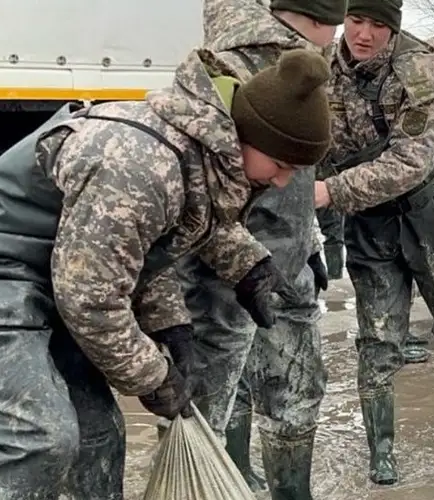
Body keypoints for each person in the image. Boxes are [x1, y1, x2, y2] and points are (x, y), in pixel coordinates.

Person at [0, 48, 332, 499]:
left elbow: (149, 245)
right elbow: (91, 300)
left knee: (99, 436)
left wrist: (232, 276)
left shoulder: (200, 150)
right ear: (248, 135)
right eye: (282, 165)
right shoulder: (140, 165)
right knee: (40, 441)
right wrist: (153, 376)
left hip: (51, 274)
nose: (283, 181)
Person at [162, 1, 345, 498]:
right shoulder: (273, 65)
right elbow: (228, 193)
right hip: (234, 274)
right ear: (326, 21)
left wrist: (308, 238)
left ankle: (235, 484)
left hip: (260, 265)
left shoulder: (243, 59)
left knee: (220, 402)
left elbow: (289, 181)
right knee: (270, 395)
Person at [315, 0, 434, 485]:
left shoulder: (418, 72)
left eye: (378, 24)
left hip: (427, 210)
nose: (364, 34)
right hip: (370, 220)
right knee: (376, 338)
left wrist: (331, 191)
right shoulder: (321, 66)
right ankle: (382, 448)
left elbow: (409, 162)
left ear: (393, 28)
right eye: (356, 20)